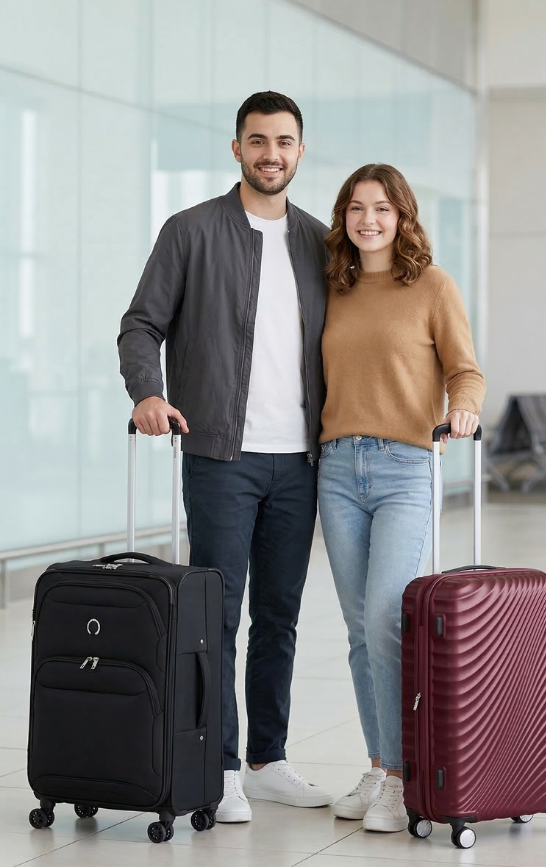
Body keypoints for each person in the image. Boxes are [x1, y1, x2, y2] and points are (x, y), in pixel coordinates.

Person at [118, 91, 333, 824]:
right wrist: (149, 393)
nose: (271, 153)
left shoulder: (319, 242)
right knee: (220, 615)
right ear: (235, 148)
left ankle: (269, 759)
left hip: (300, 462)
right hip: (220, 457)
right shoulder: (191, 231)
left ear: (300, 151)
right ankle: (220, 765)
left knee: (281, 616)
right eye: (257, 140)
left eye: (284, 141)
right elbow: (141, 325)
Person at [318, 163, 485, 832]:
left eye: (382, 208)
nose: (368, 220)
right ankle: (381, 766)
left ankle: (403, 778)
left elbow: (464, 370)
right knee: (361, 631)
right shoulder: (335, 286)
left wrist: (465, 410)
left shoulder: (431, 285)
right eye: (357, 208)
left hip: (405, 466)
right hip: (335, 469)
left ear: (403, 216)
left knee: (389, 618)